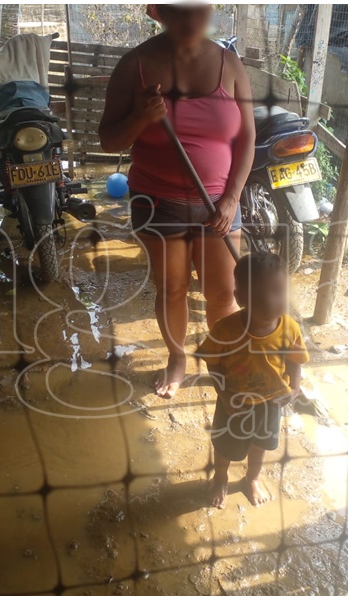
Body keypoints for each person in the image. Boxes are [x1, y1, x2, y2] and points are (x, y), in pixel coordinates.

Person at [97, 4, 255, 398]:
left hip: (219, 202)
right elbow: (108, 139)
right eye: (181, 9)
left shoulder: (229, 65)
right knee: (173, 288)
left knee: (223, 293)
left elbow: (247, 137)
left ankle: (223, 360)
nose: (192, 18)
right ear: (159, 12)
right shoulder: (134, 66)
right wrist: (140, 118)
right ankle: (177, 358)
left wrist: (233, 197)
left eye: (200, 8)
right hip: (157, 202)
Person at [195, 252, 309, 508]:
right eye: (258, 295)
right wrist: (224, 396)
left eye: (278, 291)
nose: (270, 301)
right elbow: (212, 362)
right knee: (225, 446)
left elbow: (295, 360)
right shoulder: (225, 329)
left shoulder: (289, 328)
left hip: (272, 402)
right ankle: (221, 477)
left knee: (262, 444)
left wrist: (295, 387)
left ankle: (252, 479)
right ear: (239, 298)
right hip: (234, 403)